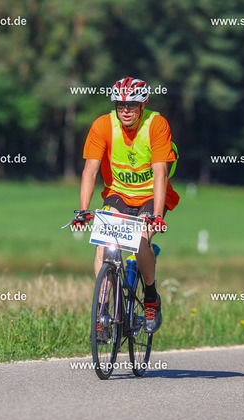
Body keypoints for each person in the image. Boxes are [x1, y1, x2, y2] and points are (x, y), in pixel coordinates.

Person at [75, 77, 180, 335]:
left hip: (150, 197)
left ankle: (151, 297)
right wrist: (83, 210)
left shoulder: (156, 125)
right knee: (103, 246)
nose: (125, 110)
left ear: (142, 104)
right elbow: (90, 170)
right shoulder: (103, 125)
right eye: (120, 104)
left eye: (132, 105)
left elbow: (160, 174)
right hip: (118, 195)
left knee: (140, 241)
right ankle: (102, 313)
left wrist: (157, 215)